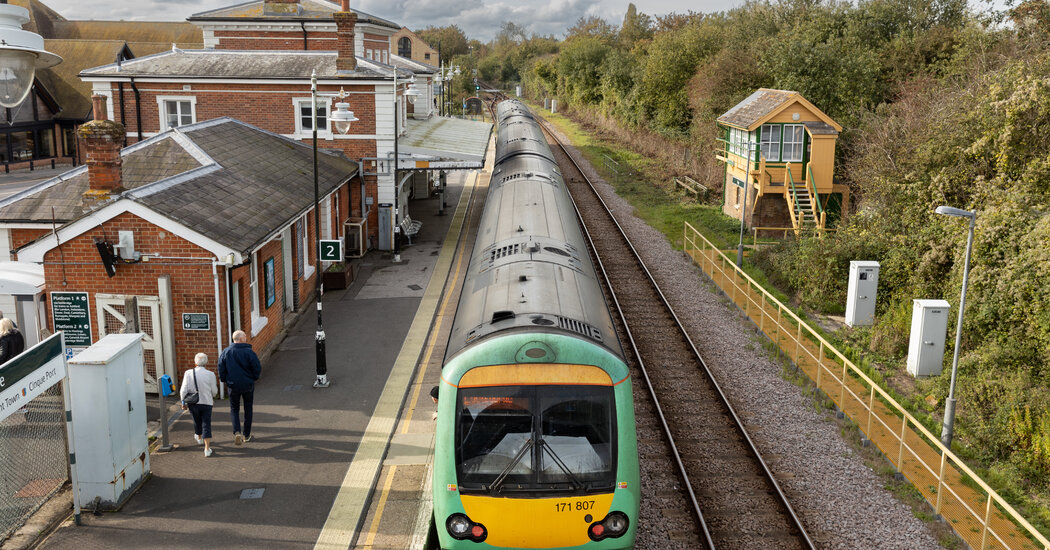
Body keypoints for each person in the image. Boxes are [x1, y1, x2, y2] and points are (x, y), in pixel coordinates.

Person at [218, 330, 262, 445]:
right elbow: (257, 367)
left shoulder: (226, 352)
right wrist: (253, 378)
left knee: (234, 409)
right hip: (247, 384)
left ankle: (237, 431)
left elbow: (221, 367)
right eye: (245, 337)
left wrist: (224, 380)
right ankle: (246, 435)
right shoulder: (249, 352)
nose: (246, 338)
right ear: (241, 339)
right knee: (248, 409)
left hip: (233, 385)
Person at [181, 353, 219, 457]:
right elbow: (214, 391)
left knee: (196, 421)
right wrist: (213, 395)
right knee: (206, 423)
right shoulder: (210, 374)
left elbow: (183, 389)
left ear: (195, 362)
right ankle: (207, 449)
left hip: (193, 403)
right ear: (206, 362)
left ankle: (199, 437)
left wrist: (183, 402)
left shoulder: (188, 373)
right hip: (207, 402)